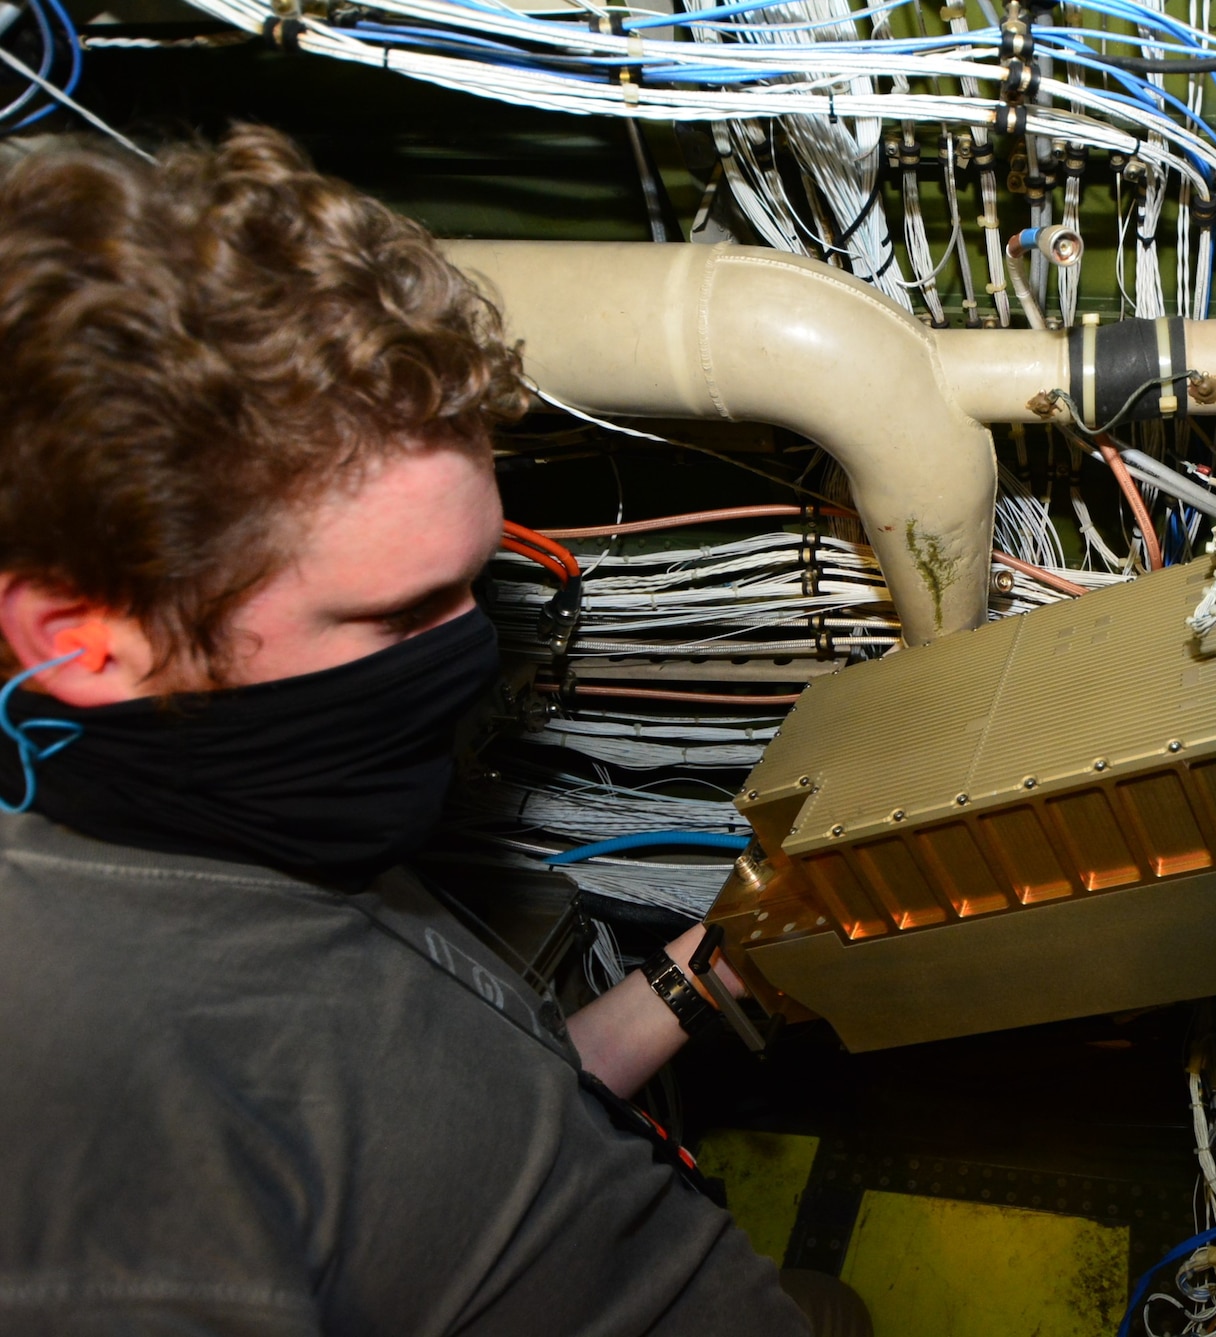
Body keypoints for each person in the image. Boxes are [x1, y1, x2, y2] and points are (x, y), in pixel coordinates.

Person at [0, 126, 831, 1335]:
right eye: (396, 616)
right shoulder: (98, 1149)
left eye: (474, 585)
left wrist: (715, 970)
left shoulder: (252, 809)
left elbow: (454, 1138)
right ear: (85, 640)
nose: (465, 651)